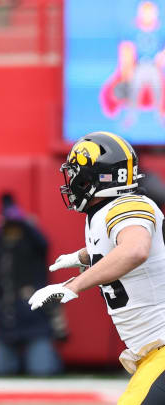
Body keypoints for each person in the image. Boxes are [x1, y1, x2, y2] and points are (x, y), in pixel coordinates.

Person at [30, 131, 165, 404]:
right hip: (153, 352)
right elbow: (122, 248)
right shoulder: (108, 210)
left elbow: (135, 249)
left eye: (76, 174)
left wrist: (73, 286)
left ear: (95, 177)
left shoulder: (127, 205)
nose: (72, 181)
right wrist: (83, 256)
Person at [0, 193, 64, 376]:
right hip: (6, 315)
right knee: (4, 371)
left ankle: (47, 357)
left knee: (42, 370)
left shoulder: (32, 245)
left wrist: (26, 224)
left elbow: (44, 243)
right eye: (9, 228)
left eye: (16, 228)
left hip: (33, 314)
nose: (12, 233)